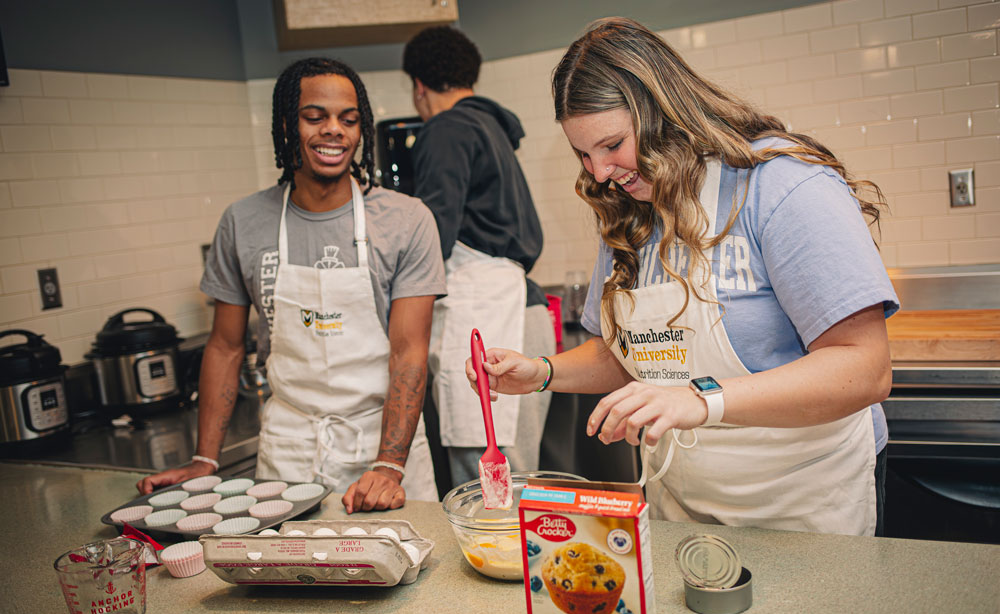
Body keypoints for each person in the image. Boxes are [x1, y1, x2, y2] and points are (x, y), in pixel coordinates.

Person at [470, 18, 899, 536]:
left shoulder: (780, 186)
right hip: (684, 509)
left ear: (665, 110)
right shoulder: (630, 210)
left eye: (612, 145)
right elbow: (635, 351)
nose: (600, 171)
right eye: (584, 154)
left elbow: (864, 367)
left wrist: (698, 401)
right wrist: (541, 372)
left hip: (803, 505)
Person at [138, 58, 444, 513]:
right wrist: (206, 458)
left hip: (381, 451)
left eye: (348, 119)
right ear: (286, 125)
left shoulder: (406, 220)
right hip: (288, 452)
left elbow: (409, 353)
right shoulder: (243, 222)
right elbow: (224, 346)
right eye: (314, 117)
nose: (334, 130)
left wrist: (389, 464)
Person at [402, 26, 555, 489]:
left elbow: (433, 236)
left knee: (490, 477)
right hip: (521, 310)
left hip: (486, 314)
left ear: (419, 86)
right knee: (518, 472)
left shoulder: (445, 129)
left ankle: (506, 562)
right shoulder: (492, 128)